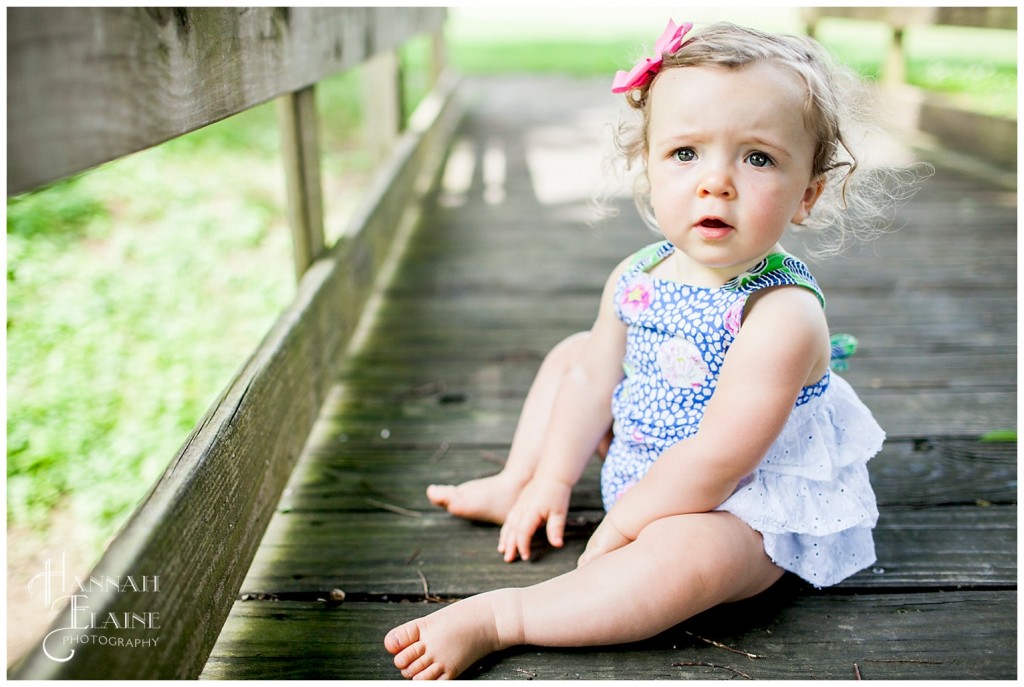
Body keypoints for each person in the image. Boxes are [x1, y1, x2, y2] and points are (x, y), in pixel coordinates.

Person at [385, 19, 893, 679]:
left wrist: (624, 521)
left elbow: (716, 459)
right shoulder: (639, 276)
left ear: (808, 193)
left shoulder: (781, 315)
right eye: (686, 153)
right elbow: (594, 382)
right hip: (649, 453)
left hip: (744, 497)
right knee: (575, 354)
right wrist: (555, 475)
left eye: (758, 157)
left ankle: (506, 616)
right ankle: (520, 482)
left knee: (691, 553)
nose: (717, 181)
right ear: (647, 165)